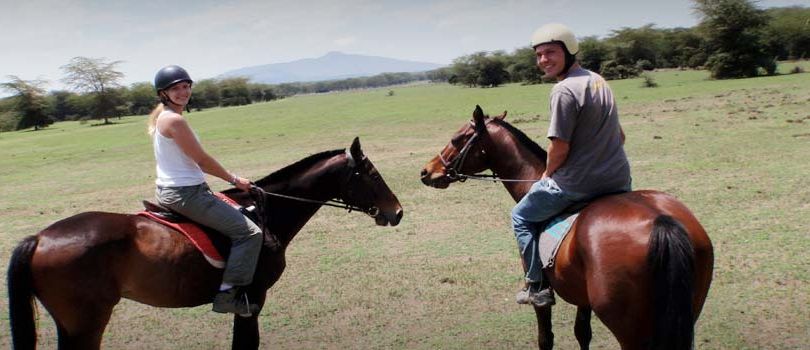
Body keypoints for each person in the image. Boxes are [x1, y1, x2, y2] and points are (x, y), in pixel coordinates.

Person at [512, 24, 632, 307]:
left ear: (569, 51)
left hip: (578, 184)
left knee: (521, 217)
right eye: (539, 55)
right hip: (619, 180)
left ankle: (536, 287)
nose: (543, 60)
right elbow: (621, 136)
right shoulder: (598, 80)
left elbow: (559, 147)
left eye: (550, 52)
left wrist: (546, 175)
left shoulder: (563, 90)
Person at [147, 65, 263, 317]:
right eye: (175, 88)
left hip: (177, 190)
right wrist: (234, 179)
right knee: (250, 233)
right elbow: (201, 160)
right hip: (186, 194)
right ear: (163, 94)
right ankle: (228, 296)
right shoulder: (174, 120)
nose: (182, 92)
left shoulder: (164, 117)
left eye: (185, 86)